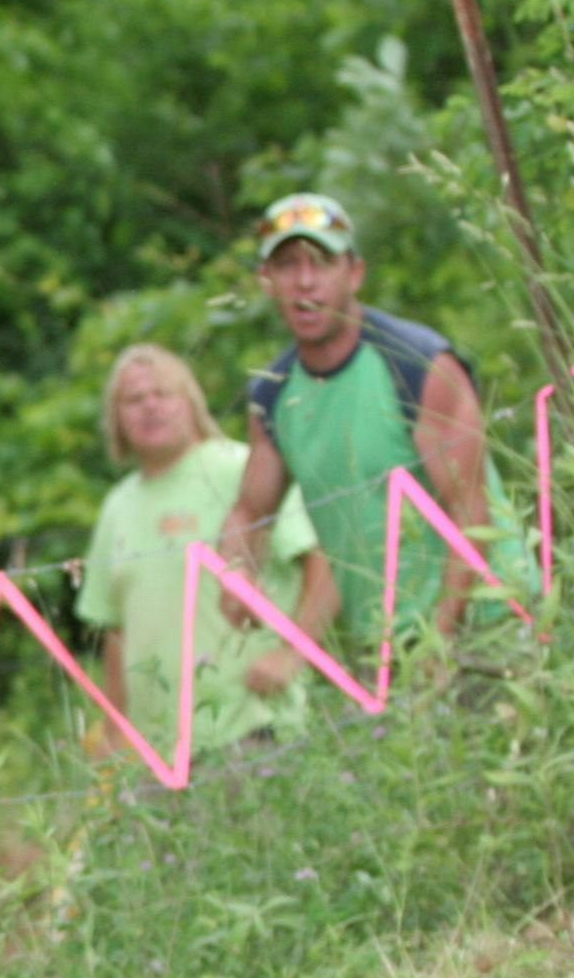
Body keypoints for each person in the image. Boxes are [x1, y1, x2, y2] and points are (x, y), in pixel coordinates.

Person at [217, 193, 538, 648]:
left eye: (321, 262)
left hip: (488, 618)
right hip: (387, 643)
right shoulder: (272, 394)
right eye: (288, 265)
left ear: (355, 273)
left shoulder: (417, 363)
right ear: (267, 280)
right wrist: (236, 571)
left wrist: (440, 639)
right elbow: (250, 511)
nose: (305, 282)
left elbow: (470, 509)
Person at [79, 344, 333, 757]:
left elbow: (323, 561)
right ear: (116, 418)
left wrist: (292, 656)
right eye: (134, 399)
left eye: (163, 393)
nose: (150, 407)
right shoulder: (117, 506)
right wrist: (114, 728)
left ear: (192, 403)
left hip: (249, 731)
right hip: (155, 755)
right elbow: (115, 630)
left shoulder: (241, 470)